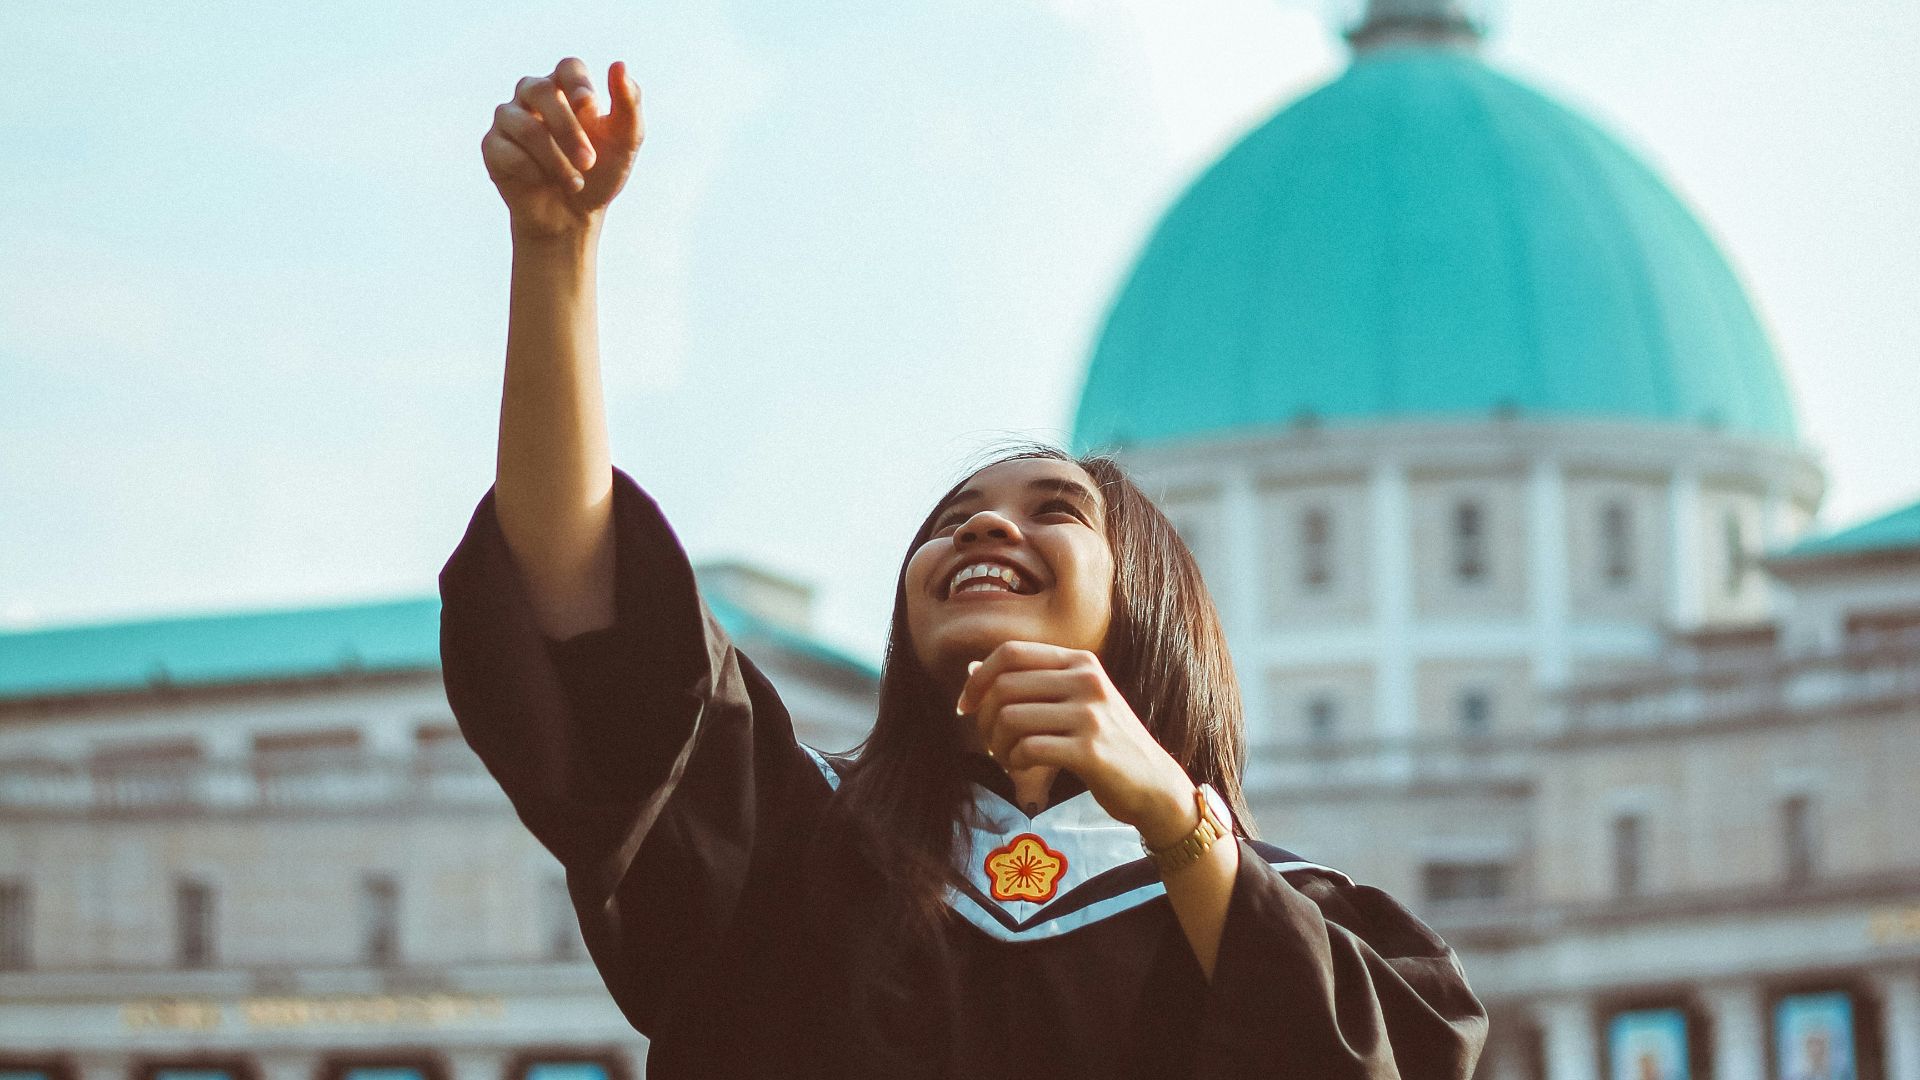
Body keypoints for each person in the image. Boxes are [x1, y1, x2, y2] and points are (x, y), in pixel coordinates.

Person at [440, 56, 1489, 1080]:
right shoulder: (785, 837)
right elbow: (586, 608)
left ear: (1151, 611)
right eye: (954, 520)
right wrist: (556, 252)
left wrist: (1174, 818)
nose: (985, 532)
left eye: (1054, 512)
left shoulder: (1289, 924)